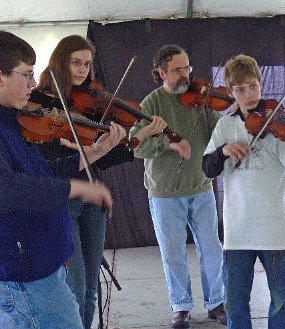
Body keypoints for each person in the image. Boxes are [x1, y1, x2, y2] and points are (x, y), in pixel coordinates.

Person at [0, 30, 125, 328]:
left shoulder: (10, 121)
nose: (33, 82)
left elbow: (42, 172)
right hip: (25, 275)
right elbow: (7, 189)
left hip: (38, 267)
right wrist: (77, 188)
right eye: (26, 74)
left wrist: (93, 154)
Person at [28, 34, 138, 329]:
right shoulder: (36, 102)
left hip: (92, 199)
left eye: (87, 65)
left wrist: (121, 144)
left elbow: (99, 159)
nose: (82, 70)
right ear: (60, 62)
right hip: (62, 199)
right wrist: (69, 145)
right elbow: (39, 155)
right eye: (76, 62)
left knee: (91, 285)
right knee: (74, 285)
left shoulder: (88, 106)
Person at [202, 54, 285, 329]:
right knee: (236, 301)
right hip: (237, 231)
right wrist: (223, 150)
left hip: (275, 229)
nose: (249, 94)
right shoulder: (225, 125)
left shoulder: (279, 124)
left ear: (261, 83)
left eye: (253, 86)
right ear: (230, 92)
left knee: (282, 299)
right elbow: (208, 168)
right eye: (240, 89)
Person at [129, 44, 227, 328]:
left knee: (212, 248)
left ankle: (216, 302)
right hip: (165, 192)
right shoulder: (152, 104)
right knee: (173, 252)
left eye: (187, 68)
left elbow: (218, 129)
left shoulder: (200, 100)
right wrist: (168, 143)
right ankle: (181, 306)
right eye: (178, 70)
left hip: (201, 186)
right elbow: (137, 147)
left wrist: (228, 108)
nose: (185, 74)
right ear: (161, 72)